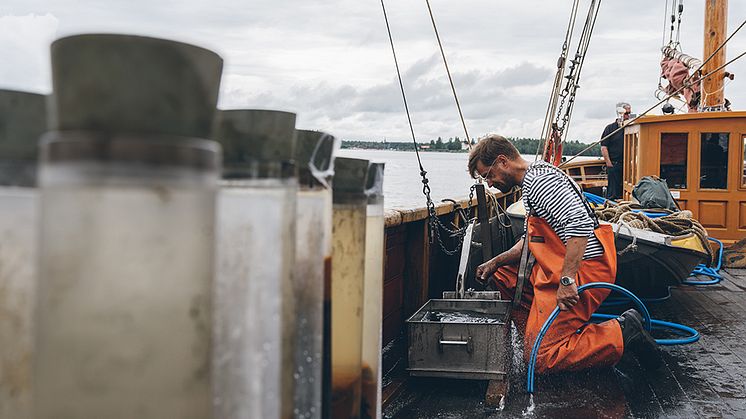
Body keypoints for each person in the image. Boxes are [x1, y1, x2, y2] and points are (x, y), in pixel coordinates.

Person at [468, 134, 661, 374]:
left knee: (540, 358)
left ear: (502, 161)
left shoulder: (541, 182)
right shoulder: (531, 183)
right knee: (504, 276)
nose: (489, 183)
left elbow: (579, 226)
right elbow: (531, 240)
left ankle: (622, 331)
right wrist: (496, 262)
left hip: (585, 270)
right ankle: (535, 331)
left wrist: (568, 281)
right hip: (556, 266)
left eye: (488, 175)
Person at [600, 102, 631, 200]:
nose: (628, 116)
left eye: (629, 113)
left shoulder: (630, 127)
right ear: (620, 113)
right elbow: (604, 146)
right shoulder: (610, 128)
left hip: (628, 166)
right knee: (613, 192)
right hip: (614, 164)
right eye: (626, 114)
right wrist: (609, 163)